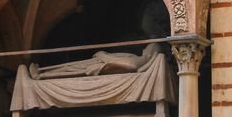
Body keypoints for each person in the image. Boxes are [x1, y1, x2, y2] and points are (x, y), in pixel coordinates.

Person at [29, 42, 161, 79]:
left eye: (148, 48)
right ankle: (41, 72)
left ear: (150, 54)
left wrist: (104, 56)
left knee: (70, 69)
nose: (145, 48)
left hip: (101, 67)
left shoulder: (139, 61)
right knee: (70, 67)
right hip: (100, 63)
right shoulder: (138, 58)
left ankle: (41, 75)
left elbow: (130, 66)